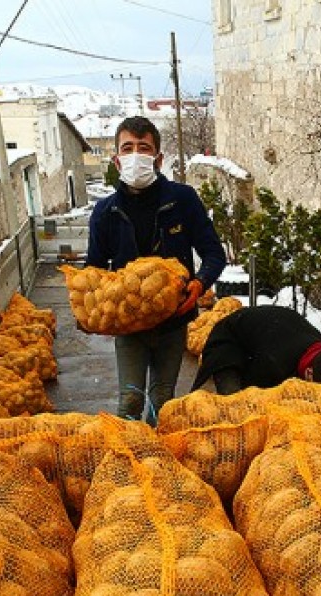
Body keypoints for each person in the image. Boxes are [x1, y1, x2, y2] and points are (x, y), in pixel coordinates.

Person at [85, 116, 227, 423]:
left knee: (162, 402)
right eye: (128, 148)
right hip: (129, 325)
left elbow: (214, 254)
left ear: (158, 158)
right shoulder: (105, 212)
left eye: (144, 148)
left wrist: (199, 284)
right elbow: (92, 273)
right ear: (117, 160)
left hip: (172, 322)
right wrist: (93, 311)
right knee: (130, 401)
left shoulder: (183, 200)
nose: (136, 155)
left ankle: (156, 461)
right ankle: (126, 464)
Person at [191, 305, 321, 394]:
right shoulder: (274, 363)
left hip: (266, 335)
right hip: (228, 343)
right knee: (237, 406)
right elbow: (254, 393)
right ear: (309, 372)